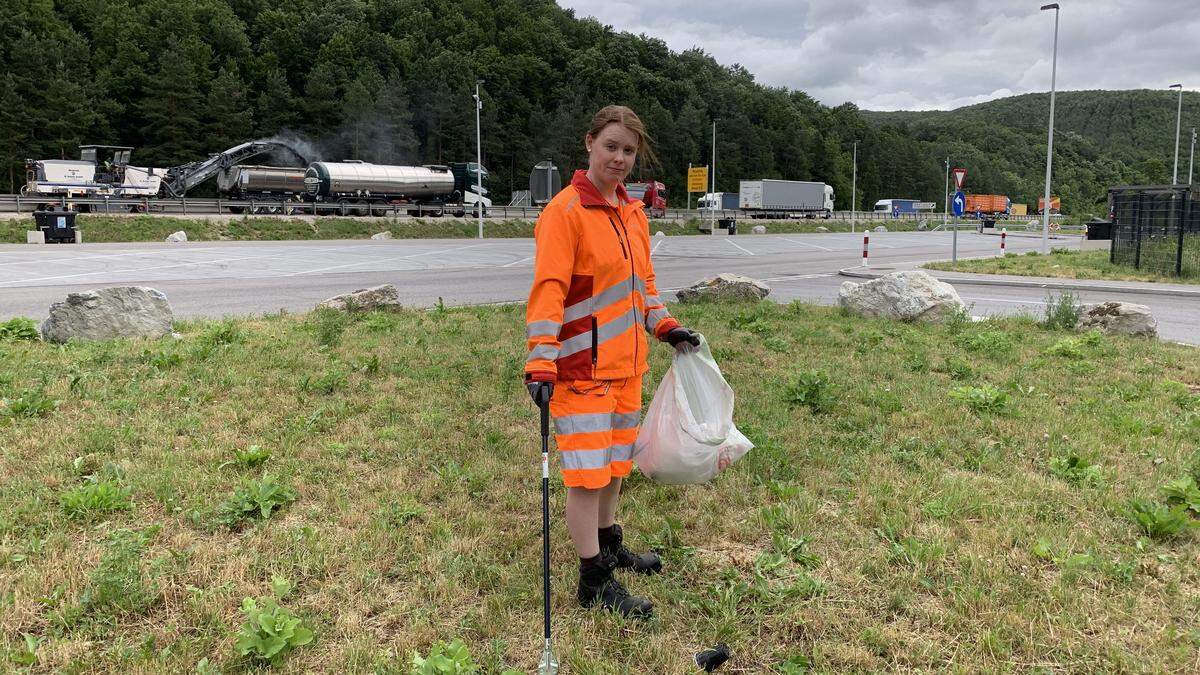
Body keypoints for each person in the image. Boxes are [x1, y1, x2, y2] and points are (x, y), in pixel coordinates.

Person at [524, 105, 701, 618]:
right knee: (586, 475)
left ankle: (608, 543)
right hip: (580, 370)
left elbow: (642, 286)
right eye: (611, 147)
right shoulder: (564, 213)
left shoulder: (633, 211)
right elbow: (548, 292)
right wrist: (541, 362)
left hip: (627, 367)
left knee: (615, 467)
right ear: (589, 143)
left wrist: (665, 326)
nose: (619, 158)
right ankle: (593, 580)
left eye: (628, 150)